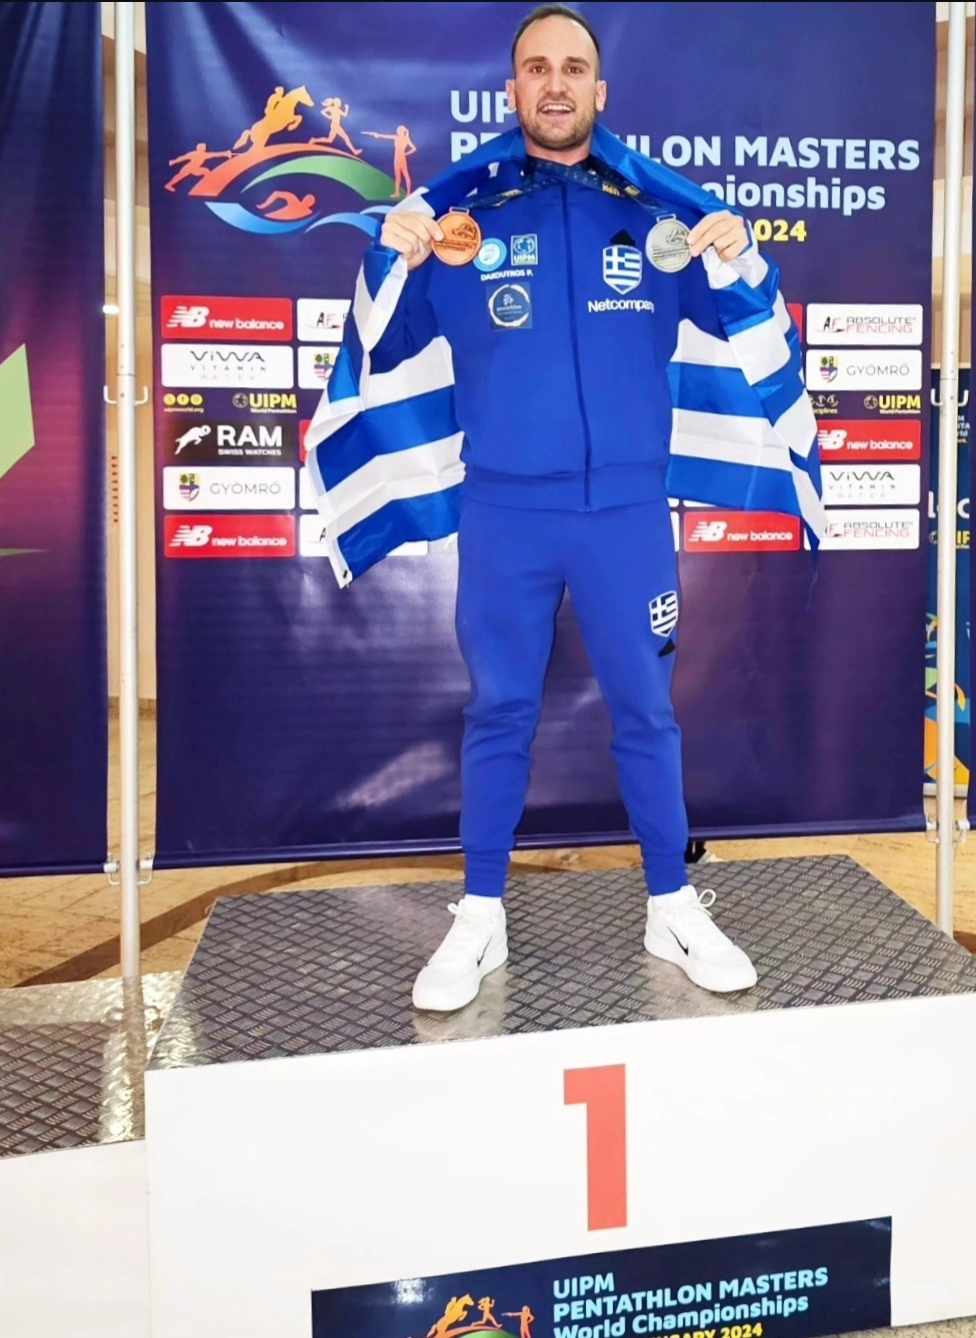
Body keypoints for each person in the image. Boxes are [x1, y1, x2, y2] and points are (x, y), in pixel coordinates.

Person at [306, 4, 821, 1012]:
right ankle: (479, 914)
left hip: (625, 517)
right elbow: (383, 348)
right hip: (505, 514)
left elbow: (741, 319)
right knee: (497, 710)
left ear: (598, 90)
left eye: (572, 68)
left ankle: (669, 902)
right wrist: (390, 254)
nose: (554, 83)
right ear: (512, 90)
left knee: (646, 713)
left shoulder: (656, 221)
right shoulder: (463, 224)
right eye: (536, 68)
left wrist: (735, 251)